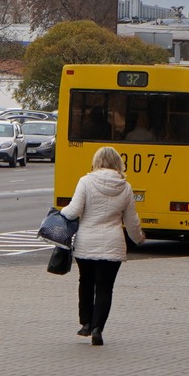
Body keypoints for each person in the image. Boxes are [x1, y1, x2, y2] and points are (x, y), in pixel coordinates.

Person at [59, 146, 146, 346]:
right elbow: (131, 221)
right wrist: (138, 237)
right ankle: (98, 328)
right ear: (118, 163)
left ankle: (86, 323)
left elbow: (73, 211)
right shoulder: (125, 187)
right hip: (113, 243)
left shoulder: (86, 181)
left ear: (96, 161)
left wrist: (59, 214)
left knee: (86, 281)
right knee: (105, 287)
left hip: (86, 242)